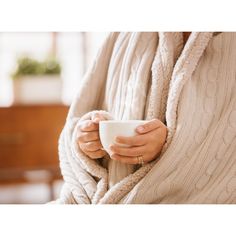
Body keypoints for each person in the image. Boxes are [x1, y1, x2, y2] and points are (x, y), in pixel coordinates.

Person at [58, 32, 236, 204]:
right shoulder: (123, 35)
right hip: (105, 192)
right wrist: (86, 138)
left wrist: (168, 147)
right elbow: (78, 116)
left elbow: (223, 150)